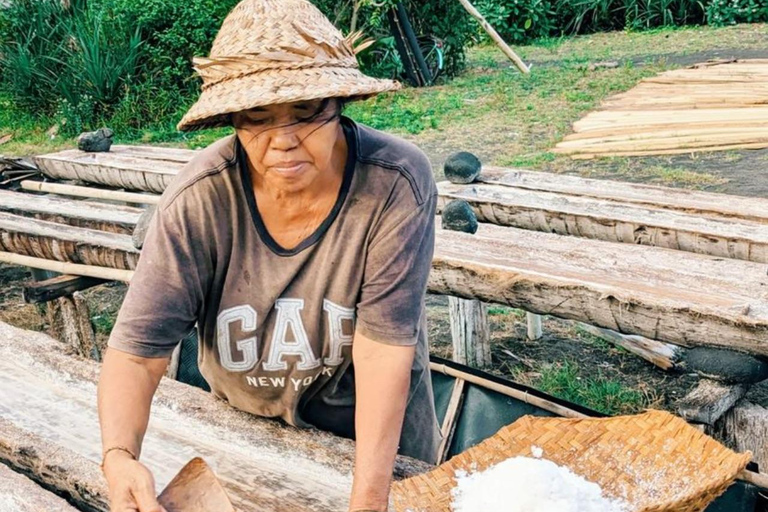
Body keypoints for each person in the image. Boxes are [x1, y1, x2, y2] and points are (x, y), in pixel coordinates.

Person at [96, 0, 441, 511]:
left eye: (306, 112)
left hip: (373, 445)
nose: (283, 141)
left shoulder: (395, 182)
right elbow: (138, 352)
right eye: (257, 118)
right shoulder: (199, 200)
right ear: (232, 118)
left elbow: (382, 350)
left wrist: (369, 499)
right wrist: (119, 455)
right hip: (246, 435)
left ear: (337, 101)